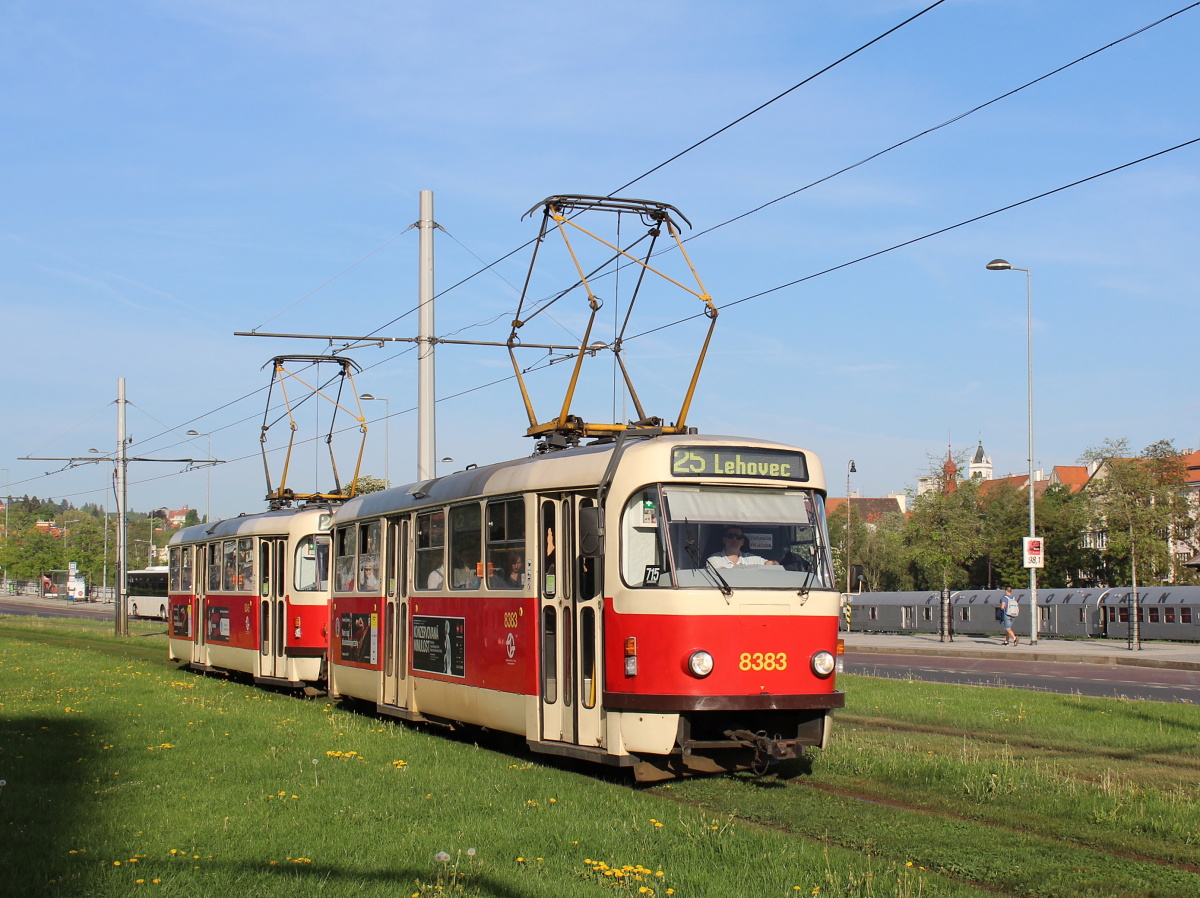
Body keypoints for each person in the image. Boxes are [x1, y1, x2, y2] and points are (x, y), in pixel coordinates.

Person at [707, 527, 780, 569]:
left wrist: (772, 563)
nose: (734, 539)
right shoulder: (713, 559)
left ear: (742, 542)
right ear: (724, 540)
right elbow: (723, 574)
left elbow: (774, 565)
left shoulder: (751, 558)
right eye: (730, 536)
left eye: (738, 537)